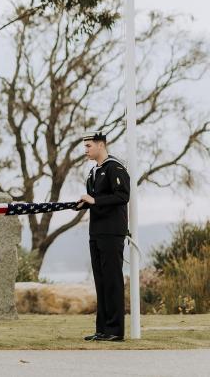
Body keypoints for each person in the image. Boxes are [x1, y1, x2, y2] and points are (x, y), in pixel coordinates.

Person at [77, 131, 130, 342]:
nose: (86, 150)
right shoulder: (93, 172)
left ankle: (115, 331)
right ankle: (102, 329)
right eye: (85, 147)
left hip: (111, 231)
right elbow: (94, 199)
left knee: (112, 281)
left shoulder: (114, 167)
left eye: (89, 146)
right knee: (100, 281)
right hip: (96, 232)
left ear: (100, 145)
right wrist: (82, 203)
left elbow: (122, 196)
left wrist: (95, 201)